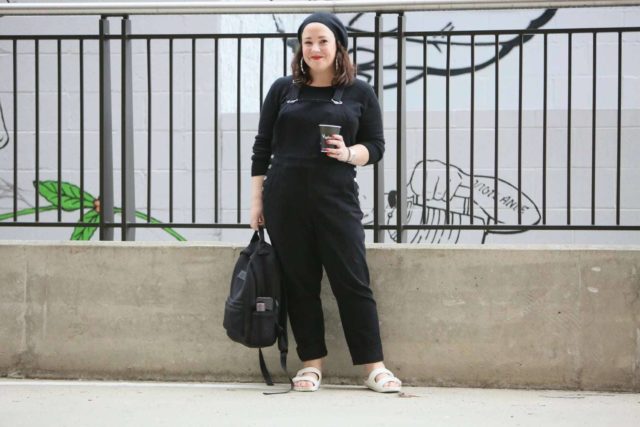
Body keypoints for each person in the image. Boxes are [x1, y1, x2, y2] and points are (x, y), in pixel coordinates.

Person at [249, 12, 401, 393]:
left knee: (353, 282)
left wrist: (349, 153)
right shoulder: (283, 89)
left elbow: (377, 147)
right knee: (300, 284)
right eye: (307, 42)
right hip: (285, 201)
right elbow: (261, 148)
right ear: (300, 48)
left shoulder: (359, 93)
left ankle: (375, 367)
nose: (315, 49)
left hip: (337, 201)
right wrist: (257, 202)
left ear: (339, 47)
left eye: (323, 41)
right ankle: (311, 364)